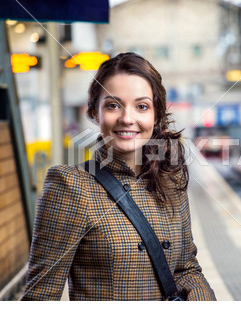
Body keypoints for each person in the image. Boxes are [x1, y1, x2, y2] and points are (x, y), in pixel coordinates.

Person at [21, 52, 216, 301]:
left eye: (142, 106)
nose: (127, 118)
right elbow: (40, 296)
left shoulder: (170, 180)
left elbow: (186, 268)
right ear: (94, 112)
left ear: (156, 115)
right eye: (113, 105)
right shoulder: (70, 185)